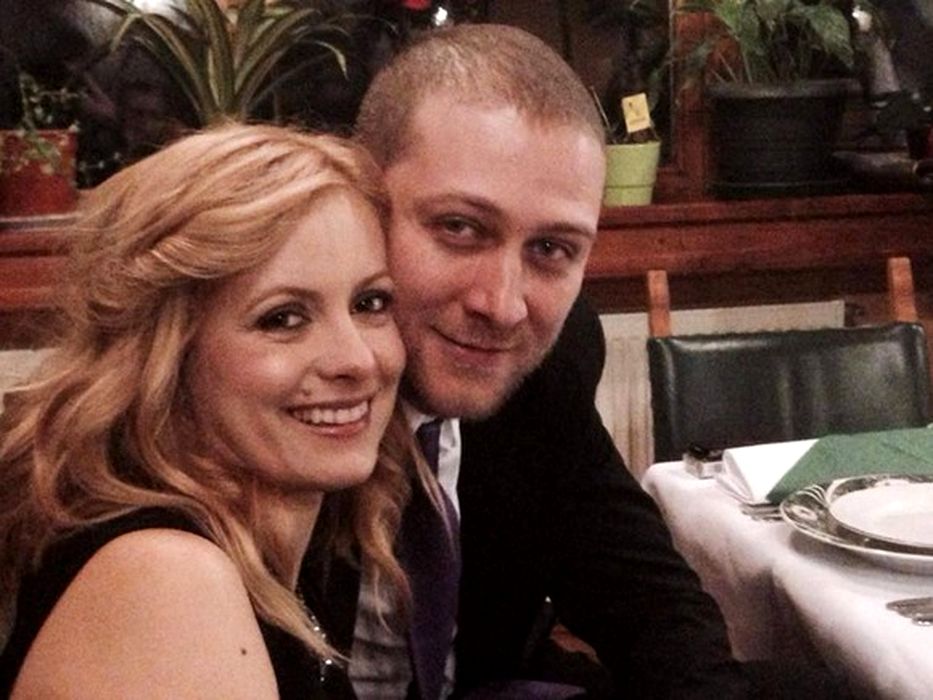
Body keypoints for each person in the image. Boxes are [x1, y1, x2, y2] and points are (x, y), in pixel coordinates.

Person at [303, 23, 854, 699]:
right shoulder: (277, 389)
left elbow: (640, 593)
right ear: (360, 200)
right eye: (459, 228)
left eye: (550, 249)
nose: (503, 305)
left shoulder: (549, 360)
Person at [0, 123, 425, 698]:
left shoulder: (288, 554)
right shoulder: (168, 581)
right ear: (167, 356)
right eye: (283, 318)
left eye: (370, 303)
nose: (357, 360)